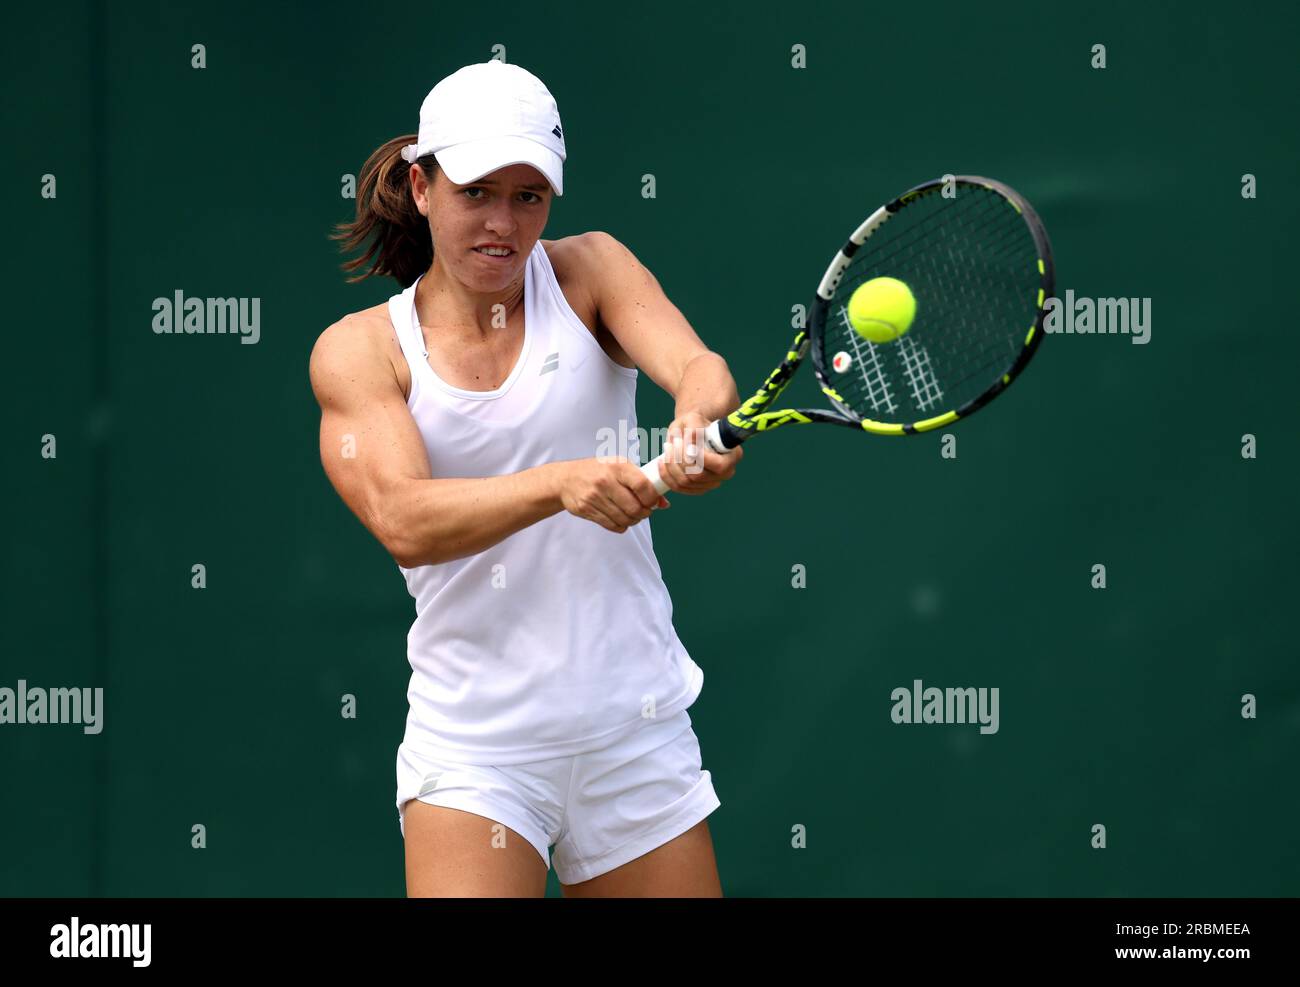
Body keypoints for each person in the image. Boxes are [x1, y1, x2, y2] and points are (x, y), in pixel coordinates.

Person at [310, 60, 743, 897]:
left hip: (635, 728)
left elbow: (700, 366)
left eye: (529, 197)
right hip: (478, 752)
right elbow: (404, 518)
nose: (504, 224)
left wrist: (697, 418)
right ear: (422, 185)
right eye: (477, 192)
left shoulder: (591, 270)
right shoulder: (361, 350)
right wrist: (560, 485)